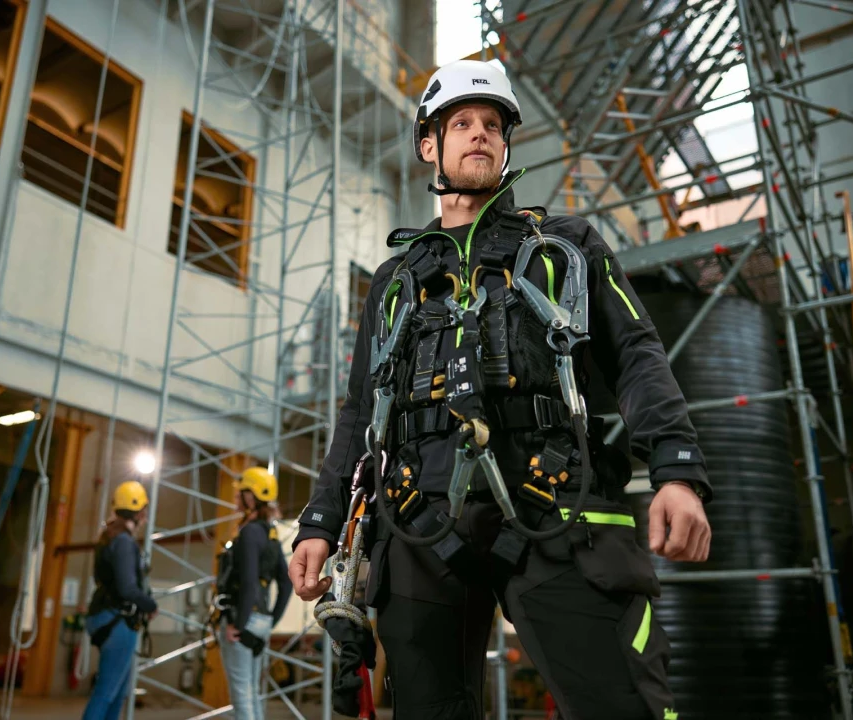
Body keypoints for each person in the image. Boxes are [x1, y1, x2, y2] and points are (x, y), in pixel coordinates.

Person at [288, 59, 713, 720]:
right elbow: (357, 411)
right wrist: (320, 520)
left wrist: (677, 469)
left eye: (492, 124)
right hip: (418, 522)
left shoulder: (566, 248)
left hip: (555, 510)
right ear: (430, 145)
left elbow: (636, 353)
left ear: (507, 143)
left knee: (623, 705)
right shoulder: (395, 280)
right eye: (460, 123)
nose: (479, 134)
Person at [214, 466, 293, 720]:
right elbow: (286, 582)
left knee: (242, 695)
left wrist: (238, 623)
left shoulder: (249, 532)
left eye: (241, 494)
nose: (236, 498)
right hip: (261, 621)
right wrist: (272, 620)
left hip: (243, 618)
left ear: (251, 497)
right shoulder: (269, 534)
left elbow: (248, 582)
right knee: (251, 691)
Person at [81, 480, 157, 720]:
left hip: (107, 617)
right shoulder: (123, 542)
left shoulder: (109, 537)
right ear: (139, 511)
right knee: (106, 693)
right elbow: (127, 587)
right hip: (117, 621)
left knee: (117, 693)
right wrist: (150, 605)